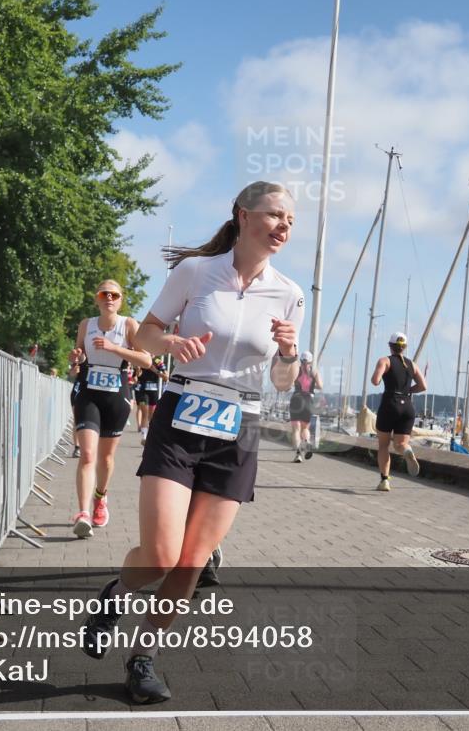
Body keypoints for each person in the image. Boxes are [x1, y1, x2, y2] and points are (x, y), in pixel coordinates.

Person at [79, 180, 303, 704]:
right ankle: (118, 592)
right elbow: (145, 334)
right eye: (275, 215)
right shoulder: (196, 272)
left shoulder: (289, 293)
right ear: (243, 216)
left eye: (290, 220)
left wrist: (289, 355)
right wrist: (172, 342)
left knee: (190, 562)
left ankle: (143, 658)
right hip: (182, 412)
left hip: (240, 425)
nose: (284, 227)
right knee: (160, 556)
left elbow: (281, 382)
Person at [68, 280, 151, 537]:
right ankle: (83, 513)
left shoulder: (128, 325)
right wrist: (76, 359)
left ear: (120, 300)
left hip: (116, 395)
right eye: (104, 294)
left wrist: (116, 348)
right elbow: (79, 358)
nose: (109, 298)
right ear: (97, 298)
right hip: (88, 393)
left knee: (105, 458)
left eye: (114, 295)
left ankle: (100, 498)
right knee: (88, 455)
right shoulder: (86, 324)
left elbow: (146, 360)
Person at [370, 332, 427, 492]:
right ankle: (407, 450)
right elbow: (423, 386)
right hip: (407, 406)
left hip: (389, 404)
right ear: (405, 347)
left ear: (390, 346)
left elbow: (375, 381)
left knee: (383, 445)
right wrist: (408, 389)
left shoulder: (385, 361)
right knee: (400, 444)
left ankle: (384, 480)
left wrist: (382, 376)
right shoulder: (412, 364)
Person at [288, 351, 321, 462]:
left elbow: (290, 383)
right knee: (305, 428)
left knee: (296, 430)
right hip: (308, 400)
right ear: (311, 361)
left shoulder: (296, 370)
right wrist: (312, 385)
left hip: (296, 399)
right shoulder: (314, 372)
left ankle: (298, 455)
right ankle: (306, 443)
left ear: (300, 360)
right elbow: (320, 386)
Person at [135, 356, 169, 445]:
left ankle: (151, 436)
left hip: (154, 391)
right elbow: (138, 375)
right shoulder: (142, 359)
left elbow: (166, 377)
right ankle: (144, 437)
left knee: (152, 416)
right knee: (144, 413)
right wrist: (138, 369)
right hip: (143, 391)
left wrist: (155, 370)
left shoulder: (158, 361)